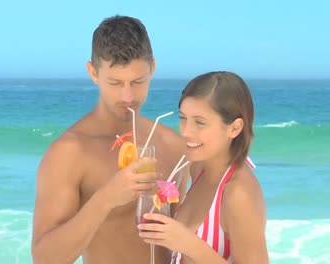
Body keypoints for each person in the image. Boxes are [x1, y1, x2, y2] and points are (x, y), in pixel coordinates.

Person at [31, 15, 187, 264]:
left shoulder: (174, 145)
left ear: (152, 69)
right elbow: (45, 258)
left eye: (138, 81)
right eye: (115, 82)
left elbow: (188, 241)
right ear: (93, 73)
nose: (128, 95)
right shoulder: (70, 151)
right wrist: (106, 198)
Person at [137, 71, 269, 263]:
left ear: (234, 128)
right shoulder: (198, 167)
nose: (185, 131)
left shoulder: (238, 194)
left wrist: (189, 244)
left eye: (199, 122)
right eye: (183, 118)